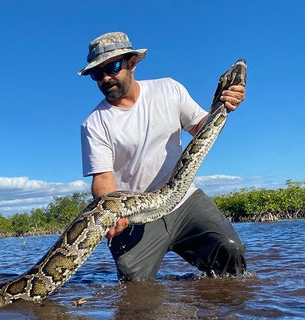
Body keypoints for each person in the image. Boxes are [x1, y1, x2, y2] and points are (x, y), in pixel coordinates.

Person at [78, 32, 246, 281]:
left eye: (112, 67)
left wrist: (225, 105)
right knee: (133, 285)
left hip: (184, 200)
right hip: (134, 214)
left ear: (131, 63)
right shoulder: (93, 124)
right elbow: (103, 179)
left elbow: (202, 129)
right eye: (96, 73)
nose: (105, 78)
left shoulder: (169, 88)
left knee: (230, 251)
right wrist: (113, 212)